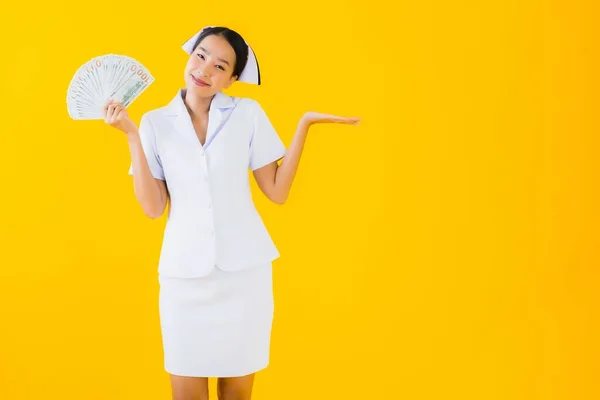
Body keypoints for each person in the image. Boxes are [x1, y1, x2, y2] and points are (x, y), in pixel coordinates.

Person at [103, 26, 360, 400]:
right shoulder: (154, 123)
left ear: (232, 78)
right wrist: (129, 135)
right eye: (201, 56)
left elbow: (277, 191)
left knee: (237, 395)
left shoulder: (248, 114)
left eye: (220, 66)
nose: (205, 70)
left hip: (244, 276)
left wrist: (303, 125)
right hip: (184, 278)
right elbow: (154, 208)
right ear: (190, 55)